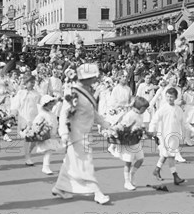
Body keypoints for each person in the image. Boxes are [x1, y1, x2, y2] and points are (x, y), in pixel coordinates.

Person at [52, 63, 111, 204]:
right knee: (86, 162)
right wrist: (64, 133)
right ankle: (96, 192)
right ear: (86, 78)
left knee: (71, 162)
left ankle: (60, 187)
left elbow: (92, 112)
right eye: (92, 77)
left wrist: (105, 124)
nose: (95, 80)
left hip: (85, 131)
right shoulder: (72, 92)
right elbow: (64, 113)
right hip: (76, 134)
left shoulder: (86, 91)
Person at [149, 87, 194, 185]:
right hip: (164, 135)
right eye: (167, 97)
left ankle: (157, 170)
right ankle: (175, 176)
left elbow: (185, 123)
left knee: (166, 154)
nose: (169, 99)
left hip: (175, 135)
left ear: (176, 97)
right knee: (171, 155)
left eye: (171, 97)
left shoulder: (179, 109)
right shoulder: (163, 109)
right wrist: (151, 131)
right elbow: (154, 120)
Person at [108, 97, 149, 191]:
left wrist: (143, 129)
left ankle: (132, 175)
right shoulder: (130, 115)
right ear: (138, 107)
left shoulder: (140, 115)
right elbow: (122, 126)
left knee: (140, 159)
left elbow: (140, 125)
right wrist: (130, 129)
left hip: (136, 141)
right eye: (144, 109)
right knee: (128, 162)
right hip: (129, 141)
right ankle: (127, 182)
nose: (145, 111)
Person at [12, 75, 41, 166]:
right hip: (24, 117)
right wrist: (14, 113)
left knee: (35, 140)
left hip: (34, 117)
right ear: (26, 83)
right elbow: (16, 104)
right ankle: (27, 157)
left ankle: (28, 153)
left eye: (33, 82)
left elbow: (40, 104)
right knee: (27, 138)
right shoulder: (21, 92)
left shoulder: (36, 93)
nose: (32, 84)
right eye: (30, 82)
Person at [32, 95, 61, 175]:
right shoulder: (42, 114)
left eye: (52, 105)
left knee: (49, 150)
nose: (52, 106)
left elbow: (55, 123)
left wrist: (58, 132)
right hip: (45, 135)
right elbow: (35, 123)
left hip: (52, 135)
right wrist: (39, 129)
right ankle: (46, 167)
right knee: (48, 150)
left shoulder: (51, 114)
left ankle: (46, 167)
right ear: (45, 105)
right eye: (50, 105)